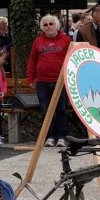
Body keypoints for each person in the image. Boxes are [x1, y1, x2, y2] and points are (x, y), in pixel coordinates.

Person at [27, 14, 72, 147]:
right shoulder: (38, 41)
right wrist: (30, 77)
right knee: (46, 110)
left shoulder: (66, 40)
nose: (48, 27)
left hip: (61, 81)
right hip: (42, 81)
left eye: (51, 24)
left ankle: (62, 136)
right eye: (45, 25)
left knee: (62, 109)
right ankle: (50, 136)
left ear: (56, 25)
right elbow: (32, 60)